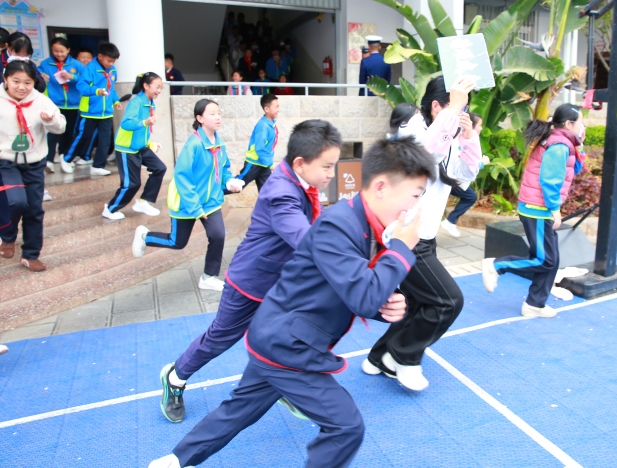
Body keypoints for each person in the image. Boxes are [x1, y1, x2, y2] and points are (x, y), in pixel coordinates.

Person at [148, 136, 435, 468]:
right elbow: (362, 293)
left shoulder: (365, 224)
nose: (415, 208)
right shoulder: (340, 224)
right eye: (415, 195)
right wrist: (400, 250)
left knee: (238, 410)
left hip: (279, 334)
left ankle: (174, 461)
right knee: (345, 427)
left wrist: (386, 306)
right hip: (287, 344)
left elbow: (357, 290)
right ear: (382, 187)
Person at [157, 120, 342, 423]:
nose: (331, 174)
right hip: (251, 283)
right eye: (327, 166)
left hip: (280, 285)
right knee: (219, 339)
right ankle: (175, 378)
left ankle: (282, 384)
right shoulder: (282, 192)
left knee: (290, 335)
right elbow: (305, 239)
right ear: (300, 162)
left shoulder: (303, 181)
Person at [364, 75, 481, 391]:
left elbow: (465, 174)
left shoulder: (449, 137)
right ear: (437, 107)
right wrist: (454, 111)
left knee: (417, 302)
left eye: (464, 108)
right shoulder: (413, 131)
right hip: (403, 237)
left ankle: (378, 357)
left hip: (423, 237)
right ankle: (404, 356)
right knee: (448, 301)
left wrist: (469, 136)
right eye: (457, 107)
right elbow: (426, 156)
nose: (461, 114)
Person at [482, 104, 586, 318]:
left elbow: (574, 168)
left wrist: (581, 145)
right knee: (544, 260)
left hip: (538, 208)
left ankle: (534, 304)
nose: (583, 125)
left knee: (551, 260)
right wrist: (555, 209)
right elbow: (550, 181)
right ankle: (497, 265)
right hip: (537, 209)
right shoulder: (559, 145)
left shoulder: (562, 141)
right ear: (569, 124)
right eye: (581, 122)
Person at [132, 99, 243, 292]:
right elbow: (182, 178)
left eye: (218, 113)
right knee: (177, 242)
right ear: (200, 118)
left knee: (218, 235)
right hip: (186, 203)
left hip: (211, 201)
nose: (217, 117)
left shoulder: (219, 143)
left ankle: (208, 277)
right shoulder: (193, 145)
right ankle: (145, 236)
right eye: (212, 114)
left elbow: (223, 168)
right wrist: (195, 208)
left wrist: (229, 181)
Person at [0, 61, 66, 272]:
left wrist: (50, 121)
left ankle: (30, 254)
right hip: (5, 162)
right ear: (6, 79)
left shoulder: (41, 101)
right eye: (16, 81)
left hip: (34, 163)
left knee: (34, 209)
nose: (22, 87)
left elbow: (61, 126)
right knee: (16, 201)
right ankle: (8, 236)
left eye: (27, 83)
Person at [102, 72, 167, 221]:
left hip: (140, 147)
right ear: (146, 86)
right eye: (157, 87)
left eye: (161, 88)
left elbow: (144, 130)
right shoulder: (136, 102)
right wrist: (144, 122)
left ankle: (143, 202)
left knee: (160, 168)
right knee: (132, 184)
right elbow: (126, 124)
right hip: (126, 149)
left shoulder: (150, 102)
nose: (159, 90)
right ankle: (110, 209)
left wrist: (150, 144)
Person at [60, 42, 122, 176]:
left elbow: (111, 88)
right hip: (89, 111)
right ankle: (66, 158)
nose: (111, 63)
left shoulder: (112, 70)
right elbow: (81, 86)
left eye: (113, 61)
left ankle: (98, 166)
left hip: (106, 113)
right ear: (100, 56)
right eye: (109, 60)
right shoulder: (90, 69)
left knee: (105, 141)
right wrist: (96, 91)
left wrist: (116, 101)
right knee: (83, 136)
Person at [37, 38, 84, 173]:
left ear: (68, 50)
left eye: (62, 51)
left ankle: (65, 158)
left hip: (73, 105)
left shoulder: (76, 64)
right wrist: (40, 76)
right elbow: (35, 73)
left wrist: (72, 77)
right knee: (53, 132)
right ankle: (49, 160)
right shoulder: (46, 64)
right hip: (55, 103)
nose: (59, 54)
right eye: (55, 51)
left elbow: (86, 79)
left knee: (69, 133)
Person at [440, 113, 484, 238]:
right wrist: (482, 163)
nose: (481, 128)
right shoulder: (458, 141)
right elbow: (463, 169)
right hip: (451, 179)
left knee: (470, 196)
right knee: (470, 196)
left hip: (453, 178)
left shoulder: (469, 141)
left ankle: (450, 221)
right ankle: (450, 221)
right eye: (480, 125)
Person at [233, 93, 279, 191]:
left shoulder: (271, 124)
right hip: (254, 164)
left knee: (268, 193)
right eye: (276, 107)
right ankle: (213, 192)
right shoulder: (263, 126)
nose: (278, 109)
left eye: (278, 106)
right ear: (266, 109)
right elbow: (260, 148)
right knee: (235, 186)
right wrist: (271, 165)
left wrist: (268, 164)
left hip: (264, 165)